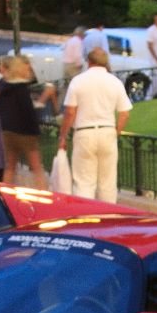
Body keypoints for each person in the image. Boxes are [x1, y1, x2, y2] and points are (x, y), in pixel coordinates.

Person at [57, 47, 133, 203]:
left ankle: (85, 218)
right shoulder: (115, 82)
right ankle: (108, 217)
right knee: (107, 183)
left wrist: (63, 136)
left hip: (84, 132)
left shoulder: (78, 81)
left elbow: (70, 112)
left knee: (84, 182)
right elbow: (124, 113)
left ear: (88, 61)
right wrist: (116, 132)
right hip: (107, 131)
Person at [0, 55, 56, 188]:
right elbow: (27, 110)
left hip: (7, 130)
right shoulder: (21, 88)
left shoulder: (3, 85)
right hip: (25, 131)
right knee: (36, 167)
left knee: (10, 166)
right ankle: (43, 194)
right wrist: (42, 100)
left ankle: (5, 194)